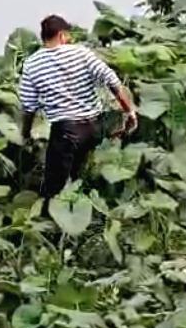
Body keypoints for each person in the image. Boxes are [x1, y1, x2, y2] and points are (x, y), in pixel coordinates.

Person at [18, 15, 137, 197]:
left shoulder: (32, 64)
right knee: (84, 177)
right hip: (94, 127)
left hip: (66, 133)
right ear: (61, 35)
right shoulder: (82, 53)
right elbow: (112, 81)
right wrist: (130, 111)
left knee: (54, 189)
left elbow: (28, 106)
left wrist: (26, 134)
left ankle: (53, 219)